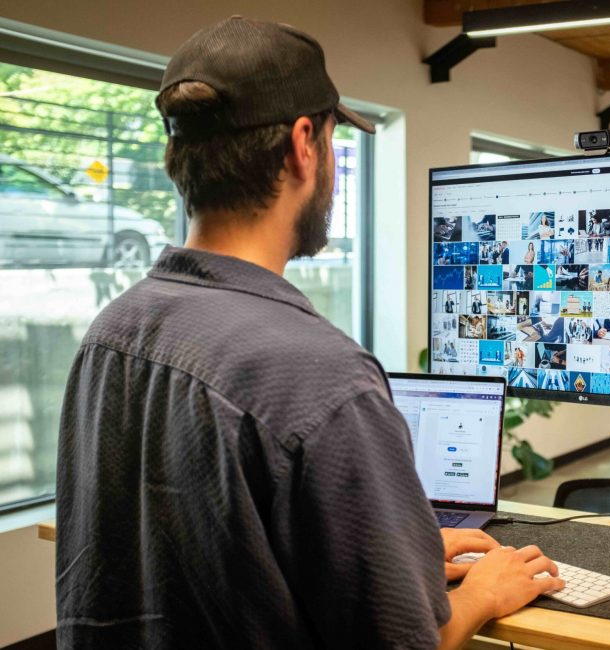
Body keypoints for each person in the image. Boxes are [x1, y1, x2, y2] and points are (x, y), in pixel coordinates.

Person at [55, 17, 562, 650]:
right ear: (303, 144)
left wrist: (395, 553)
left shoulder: (111, 334)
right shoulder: (323, 377)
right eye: (332, 143)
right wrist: (485, 593)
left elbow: (202, 559)